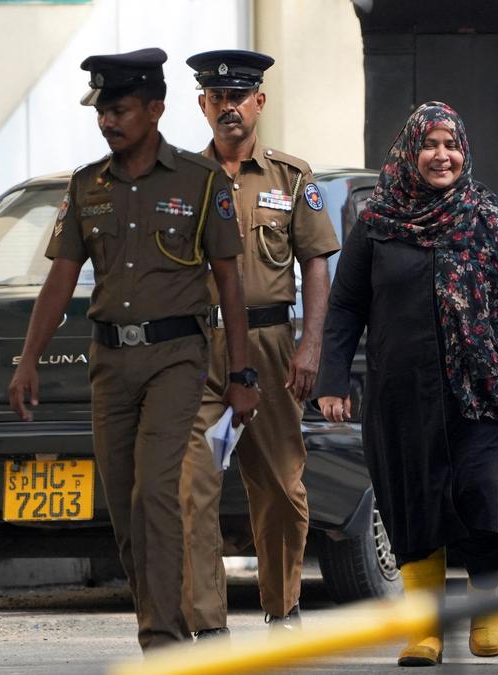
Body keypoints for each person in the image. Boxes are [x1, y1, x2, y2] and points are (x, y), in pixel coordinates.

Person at [7, 48, 259, 651]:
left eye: (119, 110)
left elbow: (230, 282)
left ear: (155, 108)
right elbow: (61, 279)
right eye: (102, 111)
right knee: (123, 508)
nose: (107, 122)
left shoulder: (199, 184)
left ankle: (164, 639)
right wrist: (27, 359)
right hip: (109, 363)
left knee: (155, 495)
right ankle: (161, 620)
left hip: (176, 358)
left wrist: (240, 371)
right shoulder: (86, 185)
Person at [315, 101, 498, 667]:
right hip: (402, 394)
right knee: (413, 504)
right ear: (409, 151)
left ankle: (484, 603)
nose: (441, 155)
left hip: (484, 392)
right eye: (431, 144)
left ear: (464, 152)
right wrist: (333, 376)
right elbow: (346, 306)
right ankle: (425, 629)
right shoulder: (377, 224)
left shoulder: (492, 217)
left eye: (451, 145)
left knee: (485, 498)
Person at [178, 50, 341, 638]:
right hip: (198, 348)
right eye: (217, 98)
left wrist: (311, 347)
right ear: (202, 105)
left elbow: (316, 265)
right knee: (191, 489)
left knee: (278, 485)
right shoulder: (182, 181)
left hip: (272, 344)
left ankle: (282, 608)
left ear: (259, 103)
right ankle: (207, 626)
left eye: (239, 96)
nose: (229, 107)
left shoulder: (290, 179)